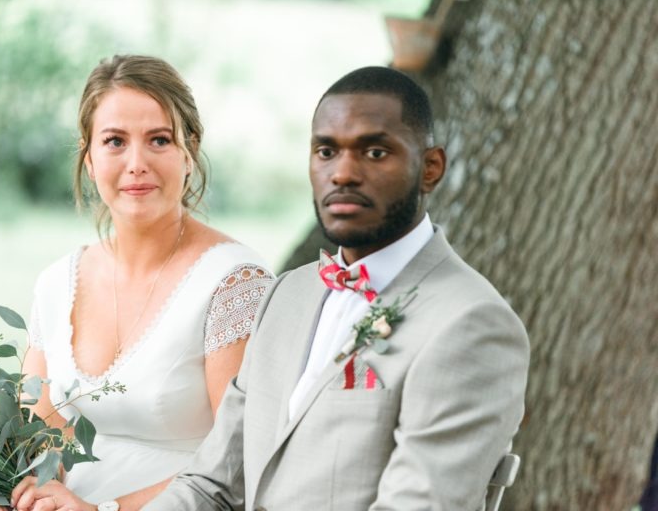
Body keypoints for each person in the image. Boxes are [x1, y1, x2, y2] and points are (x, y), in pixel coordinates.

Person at [144, 66, 530, 510]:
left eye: (375, 152)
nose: (343, 173)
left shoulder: (472, 324)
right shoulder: (285, 295)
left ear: (430, 168)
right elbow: (210, 484)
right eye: (326, 151)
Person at [2, 55, 274, 511]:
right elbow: (39, 440)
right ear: (89, 159)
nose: (136, 163)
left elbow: (242, 462)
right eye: (114, 141)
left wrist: (105, 510)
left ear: (189, 152)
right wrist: (25, 496)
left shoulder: (234, 284)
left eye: (159, 140)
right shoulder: (56, 283)